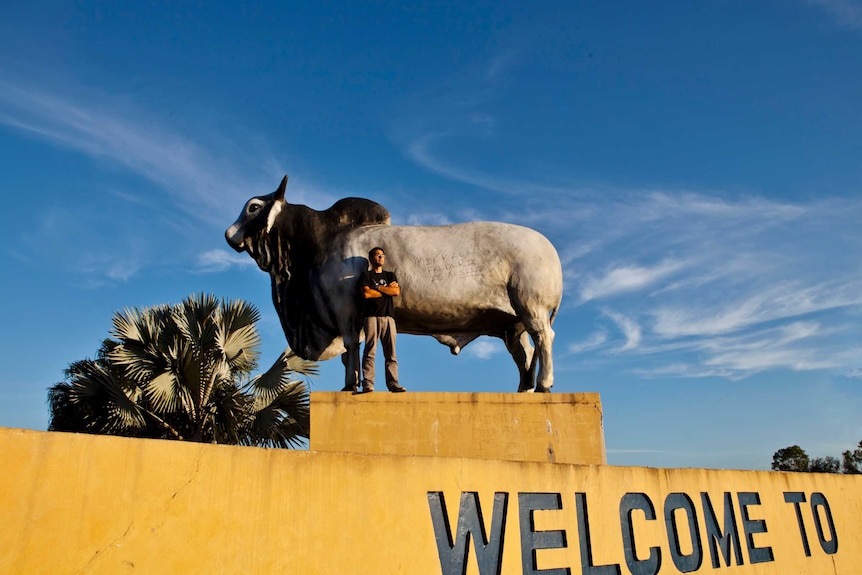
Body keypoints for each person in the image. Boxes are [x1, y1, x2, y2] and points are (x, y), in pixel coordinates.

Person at [358, 247, 406, 393]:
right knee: (370, 351)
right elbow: (366, 294)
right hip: (371, 317)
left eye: (382, 255)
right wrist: (385, 289)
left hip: (388, 317)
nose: (381, 257)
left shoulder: (390, 275)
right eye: (377, 255)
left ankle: (393, 383)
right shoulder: (366, 275)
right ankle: (368, 383)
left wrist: (376, 288)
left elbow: (396, 291)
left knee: (391, 353)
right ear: (371, 258)